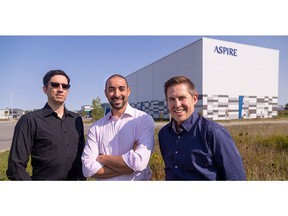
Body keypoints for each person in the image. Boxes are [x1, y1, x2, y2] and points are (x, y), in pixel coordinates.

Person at [158, 76, 246, 180]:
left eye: (182, 98)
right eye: (172, 99)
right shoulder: (164, 134)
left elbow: (235, 178)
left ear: (194, 99)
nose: (177, 104)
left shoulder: (213, 133)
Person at [6, 70, 86, 180]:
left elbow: (82, 156)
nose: (60, 89)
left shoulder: (76, 120)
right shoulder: (30, 120)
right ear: (45, 89)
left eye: (65, 86)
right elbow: (15, 167)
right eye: (55, 85)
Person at [82, 74, 155, 180]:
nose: (117, 94)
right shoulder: (96, 127)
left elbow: (139, 163)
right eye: (111, 89)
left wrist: (103, 158)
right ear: (105, 93)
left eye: (121, 89)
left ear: (128, 91)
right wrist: (129, 166)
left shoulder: (143, 120)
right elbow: (87, 169)